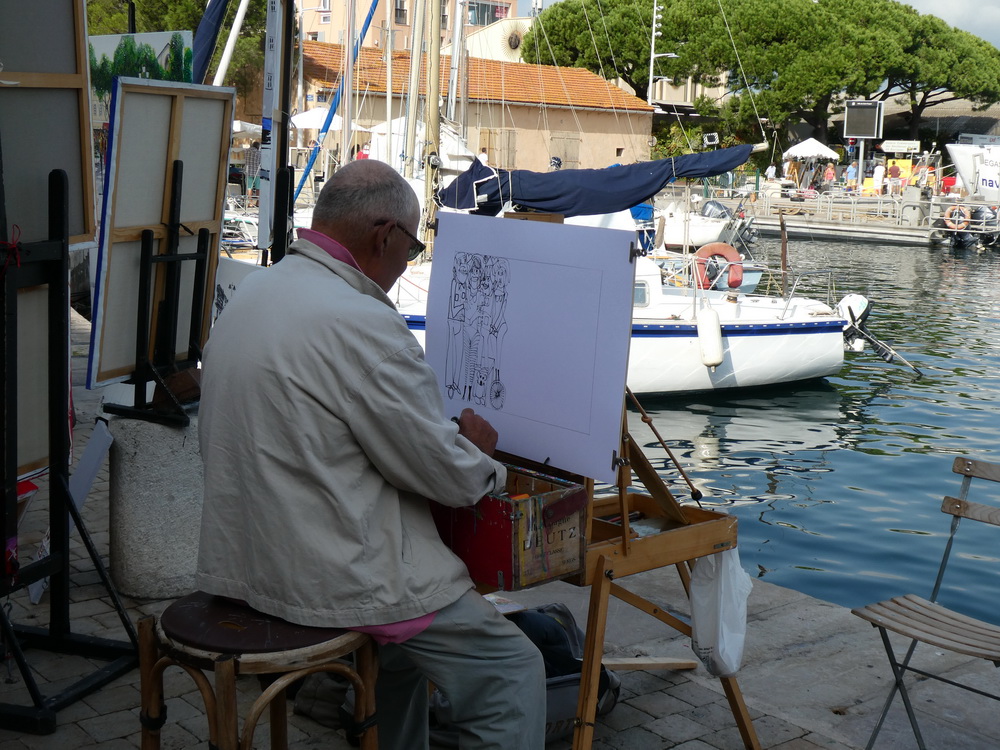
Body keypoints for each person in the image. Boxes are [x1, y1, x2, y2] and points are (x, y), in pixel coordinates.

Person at [196, 160, 546, 749]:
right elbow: (451, 478)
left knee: (402, 661)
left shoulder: (256, 289)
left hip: (246, 560)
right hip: (330, 577)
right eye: (412, 247)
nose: (408, 262)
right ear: (385, 236)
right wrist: (478, 452)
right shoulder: (362, 323)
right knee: (511, 671)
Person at [245, 141, 261, 207]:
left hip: (248, 171)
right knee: (258, 188)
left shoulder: (246, 151)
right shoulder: (259, 153)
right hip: (257, 172)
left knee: (249, 187)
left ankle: (250, 202)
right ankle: (258, 202)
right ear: (258, 147)